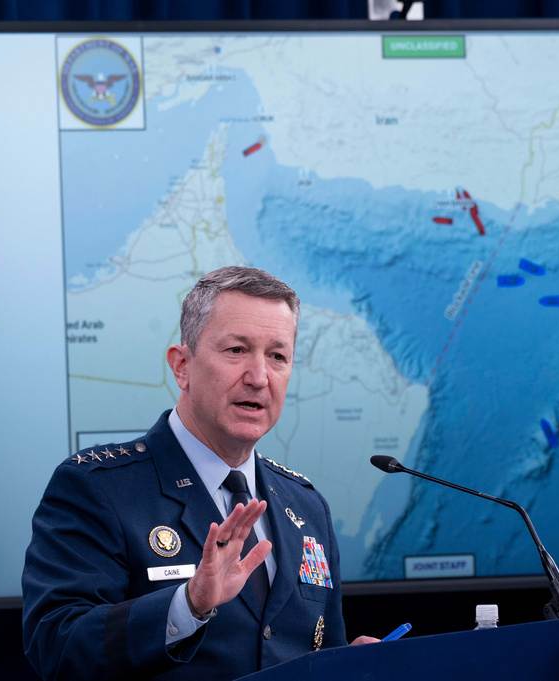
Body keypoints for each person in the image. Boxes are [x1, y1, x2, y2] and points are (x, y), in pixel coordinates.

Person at [22, 266, 377, 681]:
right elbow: (57, 646)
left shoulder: (306, 505)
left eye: (277, 356)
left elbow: (318, 647)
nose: (259, 377)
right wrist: (186, 606)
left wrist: (348, 666)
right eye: (236, 350)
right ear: (182, 366)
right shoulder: (97, 487)